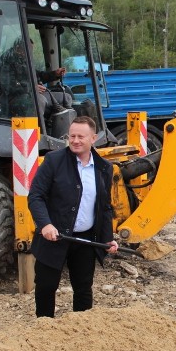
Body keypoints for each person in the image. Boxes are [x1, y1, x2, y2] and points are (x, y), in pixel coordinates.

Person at [27, 115, 119, 317]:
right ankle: (44, 328)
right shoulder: (54, 161)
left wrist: (108, 239)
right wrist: (45, 225)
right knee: (46, 286)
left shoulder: (104, 168)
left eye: (81, 137)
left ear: (93, 138)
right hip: (54, 237)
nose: (75, 141)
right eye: (72, 136)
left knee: (84, 288)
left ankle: (81, 329)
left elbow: (104, 207)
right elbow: (35, 196)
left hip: (85, 240)